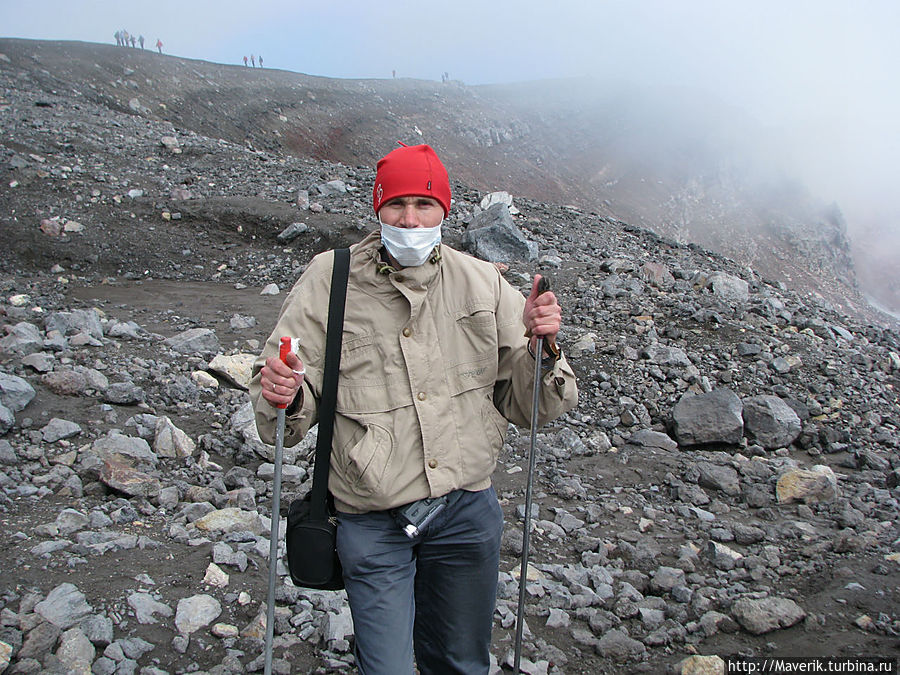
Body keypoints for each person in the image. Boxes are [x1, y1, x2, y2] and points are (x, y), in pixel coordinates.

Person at [251, 143, 577, 674]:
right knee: (387, 669)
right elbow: (287, 399)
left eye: (423, 206)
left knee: (461, 663)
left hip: (466, 512)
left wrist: (545, 350)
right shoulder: (329, 280)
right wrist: (282, 392)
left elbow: (530, 407)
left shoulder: (483, 281)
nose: (409, 219)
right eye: (396, 205)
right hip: (370, 518)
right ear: (376, 208)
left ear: (444, 212)